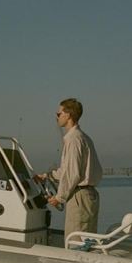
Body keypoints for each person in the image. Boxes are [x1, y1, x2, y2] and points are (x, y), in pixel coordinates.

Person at [34, 98, 102, 241]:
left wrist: (59, 198)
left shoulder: (73, 139)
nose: (56, 117)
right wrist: (48, 176)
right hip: (89, 196)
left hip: (79, 197)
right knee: (87, 241)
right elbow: (70, 170)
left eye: (58, 114)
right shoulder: (84, 137)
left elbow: (72, 174)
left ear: (68, 115)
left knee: (76, 242)